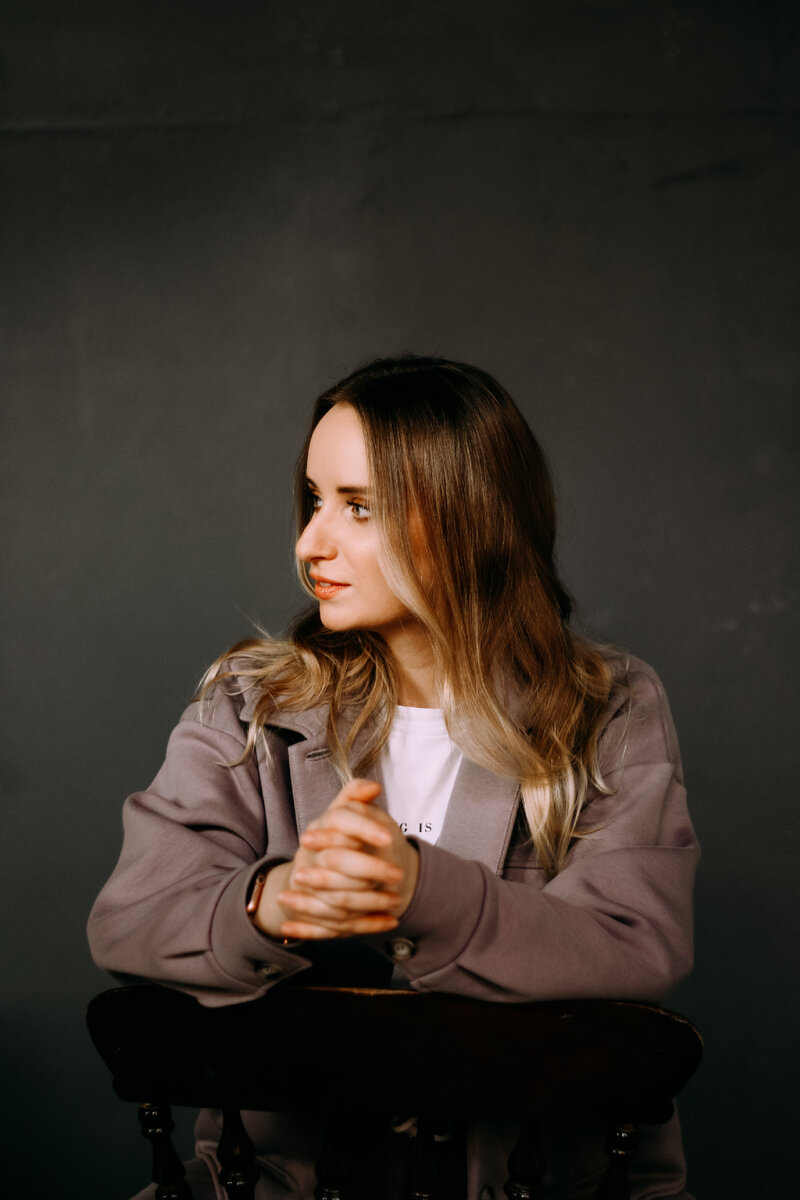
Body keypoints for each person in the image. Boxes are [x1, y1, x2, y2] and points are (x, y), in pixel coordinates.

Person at [88, 355, 699, 1199]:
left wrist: (419, 892)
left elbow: (636, 942)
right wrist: (274, 902)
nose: (310, 544)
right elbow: (130, 919)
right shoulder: (250, 703)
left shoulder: (608, 705)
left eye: (360, 507)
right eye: (314, 500)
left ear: (468, 517)